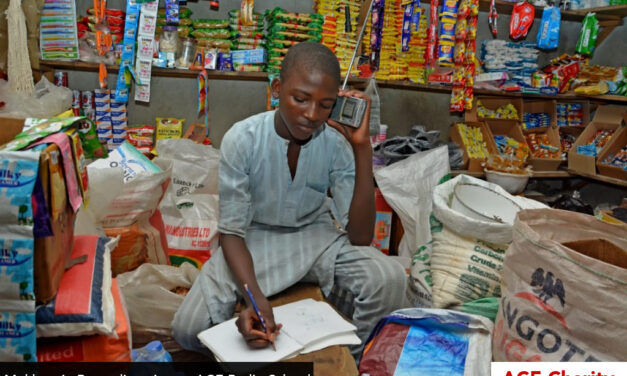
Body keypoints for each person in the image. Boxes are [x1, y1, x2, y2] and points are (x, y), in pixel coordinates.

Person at [172, 41, 407, 359]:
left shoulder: (337, 144)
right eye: (300, 99)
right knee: (187, 328)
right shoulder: (243, 139)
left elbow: (361, 237)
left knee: (388, 279)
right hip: (252, 241)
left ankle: (348, 360)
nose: (312, 115)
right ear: (276, 89)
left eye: (325, 105)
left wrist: (361, 148)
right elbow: (231, 233)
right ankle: (248, 328)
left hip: (317, 240)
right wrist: (255, 299)